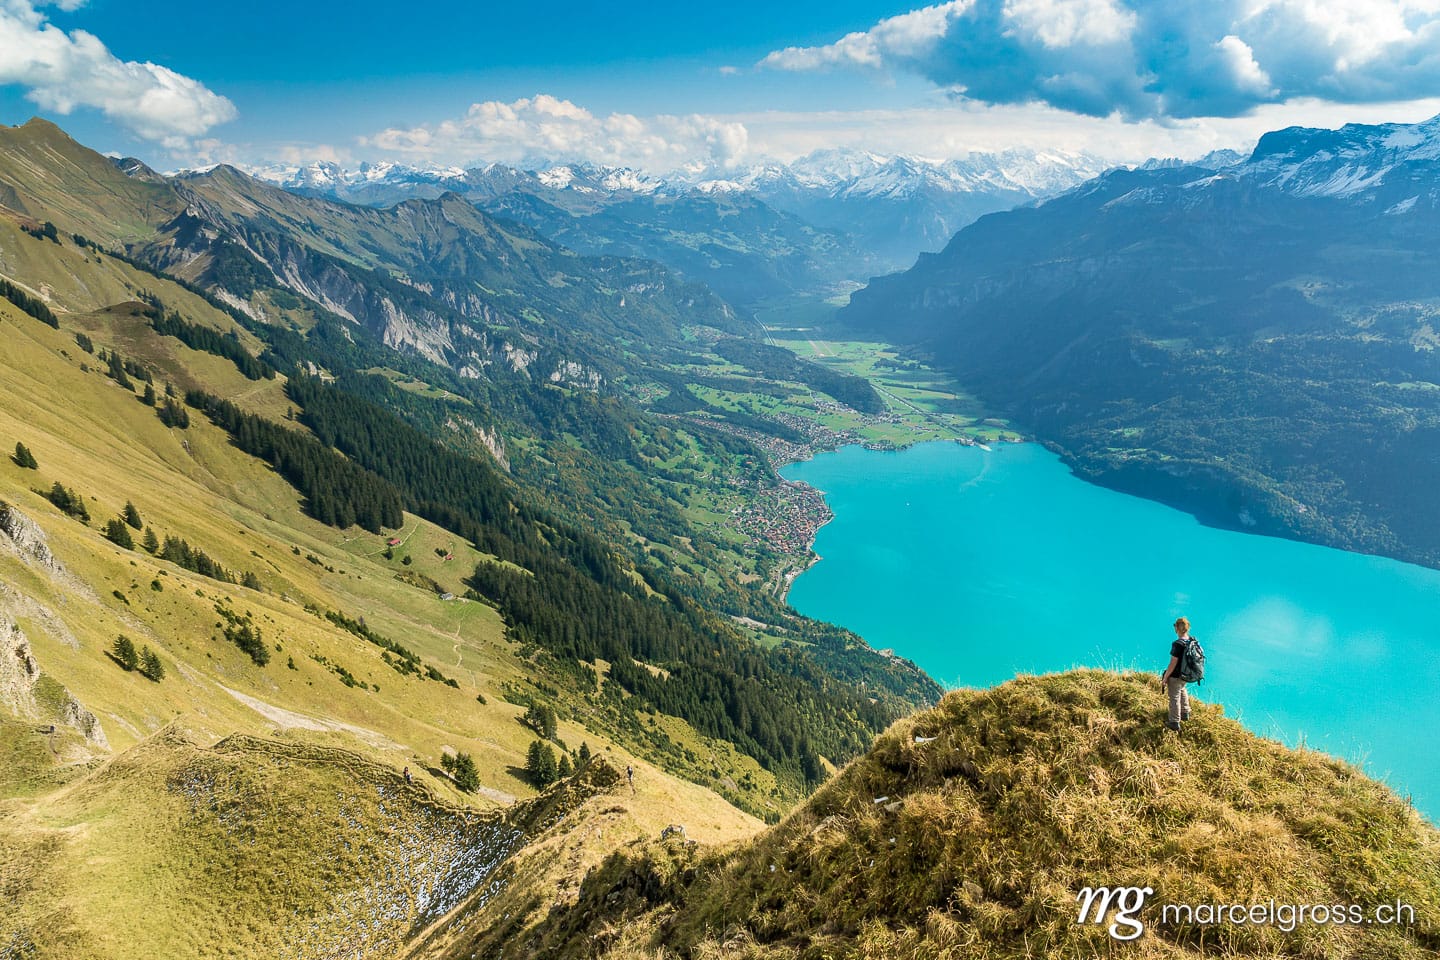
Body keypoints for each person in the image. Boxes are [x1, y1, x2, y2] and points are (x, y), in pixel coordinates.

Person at [1160, 616, 1194, 732]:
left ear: (1177, 628)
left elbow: (1172, 663)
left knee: (1174, 697)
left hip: (1175, 675)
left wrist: (1165, 677)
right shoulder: (1190, 640)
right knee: (1182, 690)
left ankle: (1174, 722)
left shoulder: (1177, 644)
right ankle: (1185, 713)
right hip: (1186, 674)